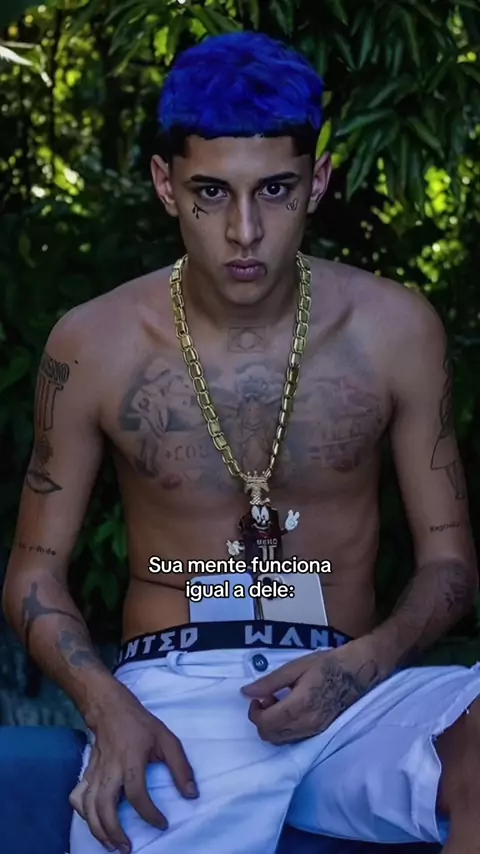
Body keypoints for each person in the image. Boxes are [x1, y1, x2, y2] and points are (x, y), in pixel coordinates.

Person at [2, 29, 480, 854]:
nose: (245, 230)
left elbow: (451, 564)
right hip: (176, 695)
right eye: (212, 193)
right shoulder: (95, 343)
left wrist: (364, 666)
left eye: (277, 190)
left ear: (317, 182)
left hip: (353, 685)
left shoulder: (396, 329)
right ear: (166, 184)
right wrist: (109, 708)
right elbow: (32, 576)